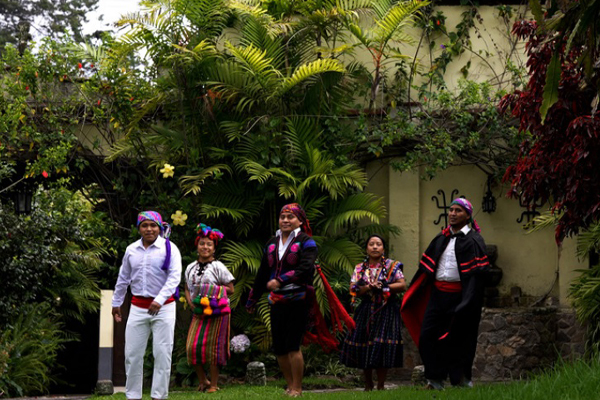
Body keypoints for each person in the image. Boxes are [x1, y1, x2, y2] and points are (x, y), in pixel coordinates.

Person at [401, 198, 490, 390]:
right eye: (451, 210)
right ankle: (435, 380)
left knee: (461, 339)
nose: (453, 213)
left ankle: (462, 380)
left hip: (461, 297)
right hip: (437, 296)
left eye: (458, 210)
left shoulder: (475, 240)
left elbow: (478, 276)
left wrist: (468, 301)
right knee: (428, 336)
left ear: (467, 215)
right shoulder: (441, 238)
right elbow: (426, 269)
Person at [245, 203, 318, 398]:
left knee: (293, 344)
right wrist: (252, 299)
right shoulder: (271, 243)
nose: (285, 220)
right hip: (275, 301)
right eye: (282, 217)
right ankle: (289, 385)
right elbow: (262, 273)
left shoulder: (306, 242)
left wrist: (280, 280)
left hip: (298, 298)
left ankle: (298, 387)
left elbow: (305, 268)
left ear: (300, 220)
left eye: (290, 217)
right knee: (279, 347)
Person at [112, 211, 182, 400]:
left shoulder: (170, 248)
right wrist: (116, 302)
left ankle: (158, 396)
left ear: (159, 227)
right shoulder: (131, 250)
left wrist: (159, 300)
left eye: (153, 225)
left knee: (162, 353)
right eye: (145, 225)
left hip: (164, 308)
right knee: (132, 354)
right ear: (139, 228)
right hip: (137, 307)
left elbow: (174, 277)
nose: (149, 229)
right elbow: (123, 278)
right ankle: (133, 396)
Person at [340, 234, 406, 391]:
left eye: (378, 244)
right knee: (364, 345)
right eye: (371, 244)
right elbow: (353, 288)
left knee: (382, 344)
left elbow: (402, 285)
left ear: (383, 248)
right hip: (366, 309)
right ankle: (368, 384)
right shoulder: (359, 268)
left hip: (387, 308)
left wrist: (384, 287)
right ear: (366, 248)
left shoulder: (392, 266)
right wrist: (369, 287)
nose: (375, 247)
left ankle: (381, 385)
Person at [184, 223, 235, 393]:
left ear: (214, 249)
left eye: (209, 244)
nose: (205, 247)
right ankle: (203, 380)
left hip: (218, 313)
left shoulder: (218, 266)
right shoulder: (190, 267)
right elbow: (186, 287)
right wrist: (191, 302)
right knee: (192, 347)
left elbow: (231, 288)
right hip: (198, 313)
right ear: (197, 245)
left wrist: (210, 293)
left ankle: (213, 384)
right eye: (202, 243)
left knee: (214, 348)